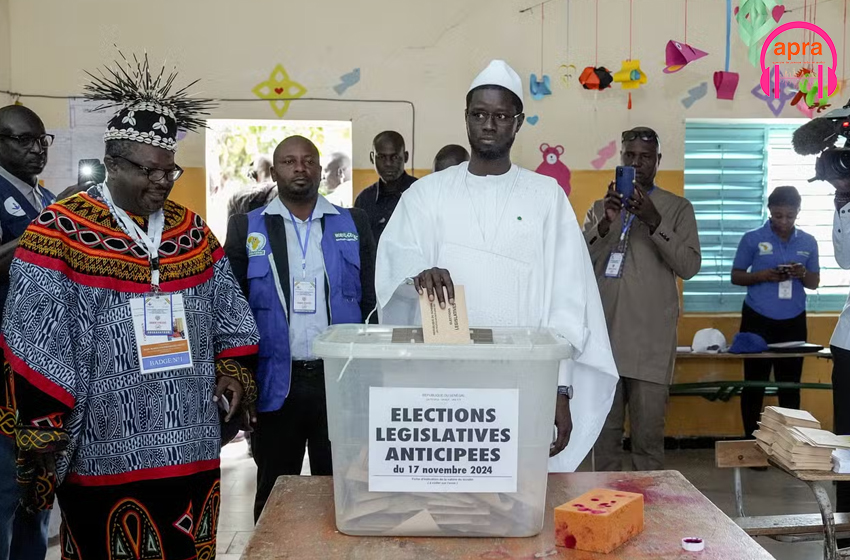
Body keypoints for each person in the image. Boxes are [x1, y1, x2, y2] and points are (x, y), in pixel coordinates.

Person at [2, 57, 260, 559]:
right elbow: (31, 332)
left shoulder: (191, 230)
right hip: (103, 443)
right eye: (149, 171)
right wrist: (45, 424)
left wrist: (232, 370)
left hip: (190, 443)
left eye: (170, 171)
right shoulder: (60, 230)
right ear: (112, 164)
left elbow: (231, 312)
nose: (163, 183)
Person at [376, 59, 618, 472]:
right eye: (480, 114)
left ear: (518, 122)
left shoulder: (547, 197)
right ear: (467, 118)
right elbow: (396, 255)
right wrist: (418, 271)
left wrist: (561, 387)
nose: (489, 124)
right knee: (449, 490)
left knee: (517, 494)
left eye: (502, 115)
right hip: (443, 385)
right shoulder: (426, 195)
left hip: (525, 381)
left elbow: (567, 297)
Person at [225, 135, 377, 522]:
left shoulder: (351, 222)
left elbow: (371, 301)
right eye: (289, 161)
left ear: (319, 168)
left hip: (338, 382)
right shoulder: (247, 227)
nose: (300, 168)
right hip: (277, 383)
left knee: (342, 490)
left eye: (308, 160)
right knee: (275, 492)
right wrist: (241, 377)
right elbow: (233, 310)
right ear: (275, 171)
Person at [0, 104, 90, 560]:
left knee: (35, 496)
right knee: (3, 492)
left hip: (45, 366)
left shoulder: (44, 195)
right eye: (23, 140)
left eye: (42, 140)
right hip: (5, 371)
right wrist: (50, 222)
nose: (37, 149)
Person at [584, 127, 701, 472]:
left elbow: (689, 266)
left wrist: (653, 220)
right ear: (621, 159)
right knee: (603, 442)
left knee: (647, 444)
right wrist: (605, 225)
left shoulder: (677, 209)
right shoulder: (599, 209)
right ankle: (604, 515)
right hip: (604, 342)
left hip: (650, 342)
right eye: (629, 156)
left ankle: (651, 518)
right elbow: (578, 263)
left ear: (658, 161)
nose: (637, 163)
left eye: (645, 157)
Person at [731, 186, 819, 438]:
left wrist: (802, 273)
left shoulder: (808, 242)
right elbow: (736, 276)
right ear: (769, 211)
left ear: (798, 212)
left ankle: (789, 448)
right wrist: (763, 275)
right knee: (754, 385)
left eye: (790, 216)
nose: (784, 221)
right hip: (756, 319)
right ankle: (752, 446)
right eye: (778, 215)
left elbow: (814, 282)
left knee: (789, 387)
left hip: (793, 321)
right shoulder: (752, 238)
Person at [354, 131, 417, 243]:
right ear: (372, 158)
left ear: (406, 157)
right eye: (382, 157)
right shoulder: (364, 200)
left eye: (395, 157)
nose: (388, 163)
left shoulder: (420, 193)